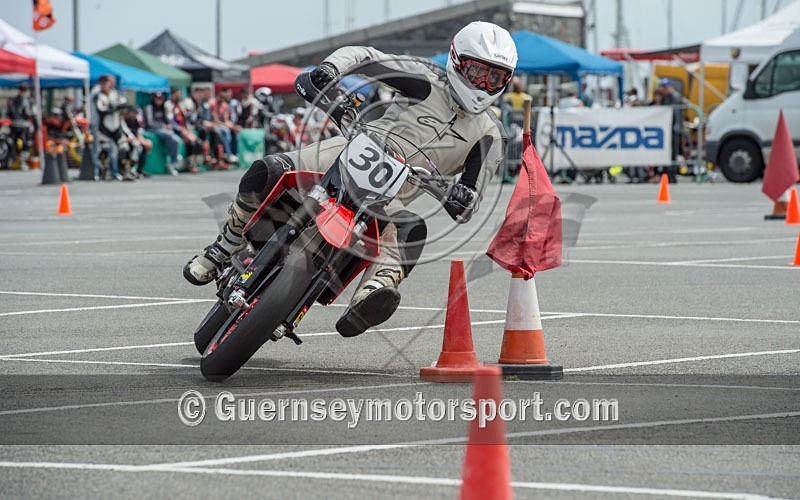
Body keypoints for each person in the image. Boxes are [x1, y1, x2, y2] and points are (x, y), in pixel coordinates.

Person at [183, 21, 518, 337]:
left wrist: (462, 196)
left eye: (495, 78)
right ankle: (224, 246)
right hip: (349, 150)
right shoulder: (425, 79)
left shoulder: (490, 135)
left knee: (413, 229)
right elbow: (366, 57)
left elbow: (472, 198)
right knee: (269, 169)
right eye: (478, 72)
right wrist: (330, 70)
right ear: (458, 61)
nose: (484, 85)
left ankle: (372, 295)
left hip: (395, 195)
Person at [91, 74, 131, 181]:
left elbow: (124, 103)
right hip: (104, 126)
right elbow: (102, 110)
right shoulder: (98, 95)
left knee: (124, 148)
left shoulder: (115, 93)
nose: (111, 84)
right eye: (109, 82)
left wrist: (115, 107)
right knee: (105, 149)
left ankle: (125, 171)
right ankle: (105, 172)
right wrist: (114, 107)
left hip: (116, 125)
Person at [144, 92, 184, 176]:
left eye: (161, 99)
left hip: (163, 129)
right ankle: (173, 160)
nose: (159, 101)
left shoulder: (163, 108)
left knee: (177, 137)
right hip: (152, 129)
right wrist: (163, 126)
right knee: (169, 135)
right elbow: (150, 123)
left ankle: (175, 157)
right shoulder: (149, 108)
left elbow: (167, 121)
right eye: (157, 99)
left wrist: (171, 126)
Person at [5, 83, 35, 168]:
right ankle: (22, 162)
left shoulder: (12, 100)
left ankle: (12, 160)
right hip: (24, 125)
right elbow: (29, 112)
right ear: (26, 90)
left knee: (13, 143)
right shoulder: (27, 100)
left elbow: (8, 113)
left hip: (14, 124)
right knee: (26, 143)